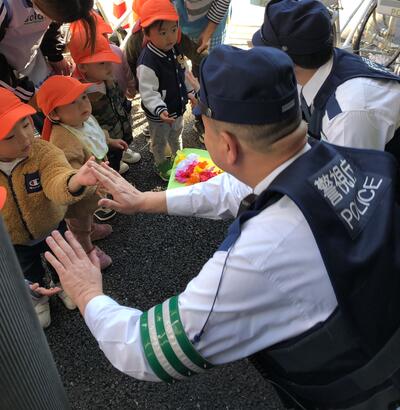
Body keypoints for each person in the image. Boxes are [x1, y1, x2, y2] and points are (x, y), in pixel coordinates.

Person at [45, 45, 400, 409]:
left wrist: (88, 293)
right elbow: (241, 186)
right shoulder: (353, 157)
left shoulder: (260, 254)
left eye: (201, 121)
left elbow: (147, 352)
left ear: (226, 145)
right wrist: (146, 200)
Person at [0, 87, 98, 328]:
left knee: (61, 261)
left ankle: (66, 285)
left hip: (51, 225)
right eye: (9, 137)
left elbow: (56, 178)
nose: (24, 139)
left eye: (25, 125)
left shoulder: (42, 152)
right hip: (15, 238)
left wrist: (75, 181)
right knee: (28, 270)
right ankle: (39, 298)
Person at [252, 0, 400, 155]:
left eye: (265, 55)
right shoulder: (319, 67)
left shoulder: (348, 114)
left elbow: (351, 175)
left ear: (285, 62)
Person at [36, 75, 114, 269]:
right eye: (72, 102)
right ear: (55, 114)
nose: (83, 105)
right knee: (79, 225)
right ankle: (86, 249)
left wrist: (110, 142)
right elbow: (70, 173)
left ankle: (92, 229)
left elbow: (96, 134)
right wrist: (94, 182)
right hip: (79, 197)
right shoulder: (63, 139)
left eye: (83, 97)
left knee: (88, 217)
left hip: (93, 188)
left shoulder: (81, 120)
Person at [68, 28, 141, 178]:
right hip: (103, 145)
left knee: (117, 156)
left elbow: (119, 99)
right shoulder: (79, 96)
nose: (109, 66)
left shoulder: (108, 78)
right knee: (109, 166)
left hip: (119, 130)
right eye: (102, 63)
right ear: (82, 67)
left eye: (109, 60)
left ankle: (117, 165)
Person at [0, 0, 96, 112]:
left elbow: (53, 24)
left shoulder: (63, 5)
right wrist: (23, 91)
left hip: (28, 60)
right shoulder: (6, 6)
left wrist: (53, 53)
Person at [136, 0, 195, 180]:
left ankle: (179, 157)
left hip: (177, 108)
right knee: (159, 141)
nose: (170, 37)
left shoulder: (173, 48)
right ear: (146, 32)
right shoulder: (148, 62)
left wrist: (190, 91)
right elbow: (148, 92)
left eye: (173, 29)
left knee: (177, 134)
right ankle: (161, 163)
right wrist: (160, 109)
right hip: (159, 115)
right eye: (162, 32)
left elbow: (183, 71)